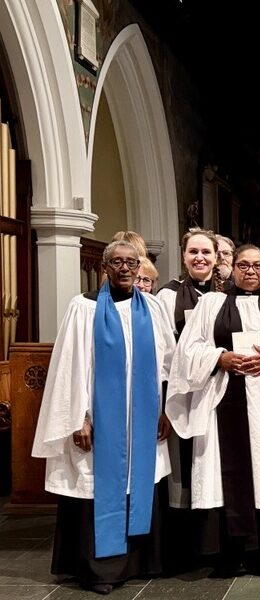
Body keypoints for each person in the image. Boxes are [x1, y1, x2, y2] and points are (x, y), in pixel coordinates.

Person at [32, 240, 175, 594]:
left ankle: (140, 563)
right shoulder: (83, 308)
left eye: (131, 262)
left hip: (142, 421)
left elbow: (169, 364)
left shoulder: (153, 308)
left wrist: (166, 410)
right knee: (97, 487)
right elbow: (69, 366)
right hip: (100, 421)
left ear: (140, 267)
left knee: (139, 487)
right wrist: (79, 417)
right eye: (117, 262)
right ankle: (101, 571)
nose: (125, 268)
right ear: (104, 267)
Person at [165, 244, 260, 576]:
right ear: (231, 268)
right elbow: (189, 349)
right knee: (225, 474)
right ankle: (229, 554)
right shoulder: (211, 304)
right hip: (225, 404)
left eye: (258, 266)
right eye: (244, 265)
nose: (251, 272)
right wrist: (219, 357)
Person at [157, 228, 222, 517]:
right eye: (193, 252)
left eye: (206, 252)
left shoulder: (228, 293)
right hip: (183, 390)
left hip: (219, 391)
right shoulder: (168, 296)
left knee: (215, 463)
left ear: (217, 257)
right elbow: (164, 350)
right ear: (183, 256)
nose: (200, 258)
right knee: (183, 465)